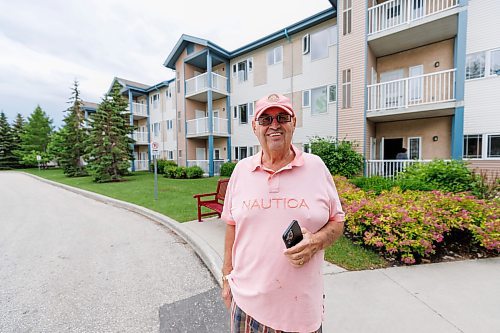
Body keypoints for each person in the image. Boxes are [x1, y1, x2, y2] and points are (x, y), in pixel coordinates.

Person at [221, 93, 345, 333]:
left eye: (282, 117)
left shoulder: (316, 167)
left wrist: (317, 241)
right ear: (255, 127)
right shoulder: (241, 171)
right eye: (265, 119)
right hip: (247, 306)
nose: (274, 125)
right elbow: (232, 225)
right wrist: (226, 278)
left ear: (294, 122)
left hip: (301, 314)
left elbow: (337, 221)